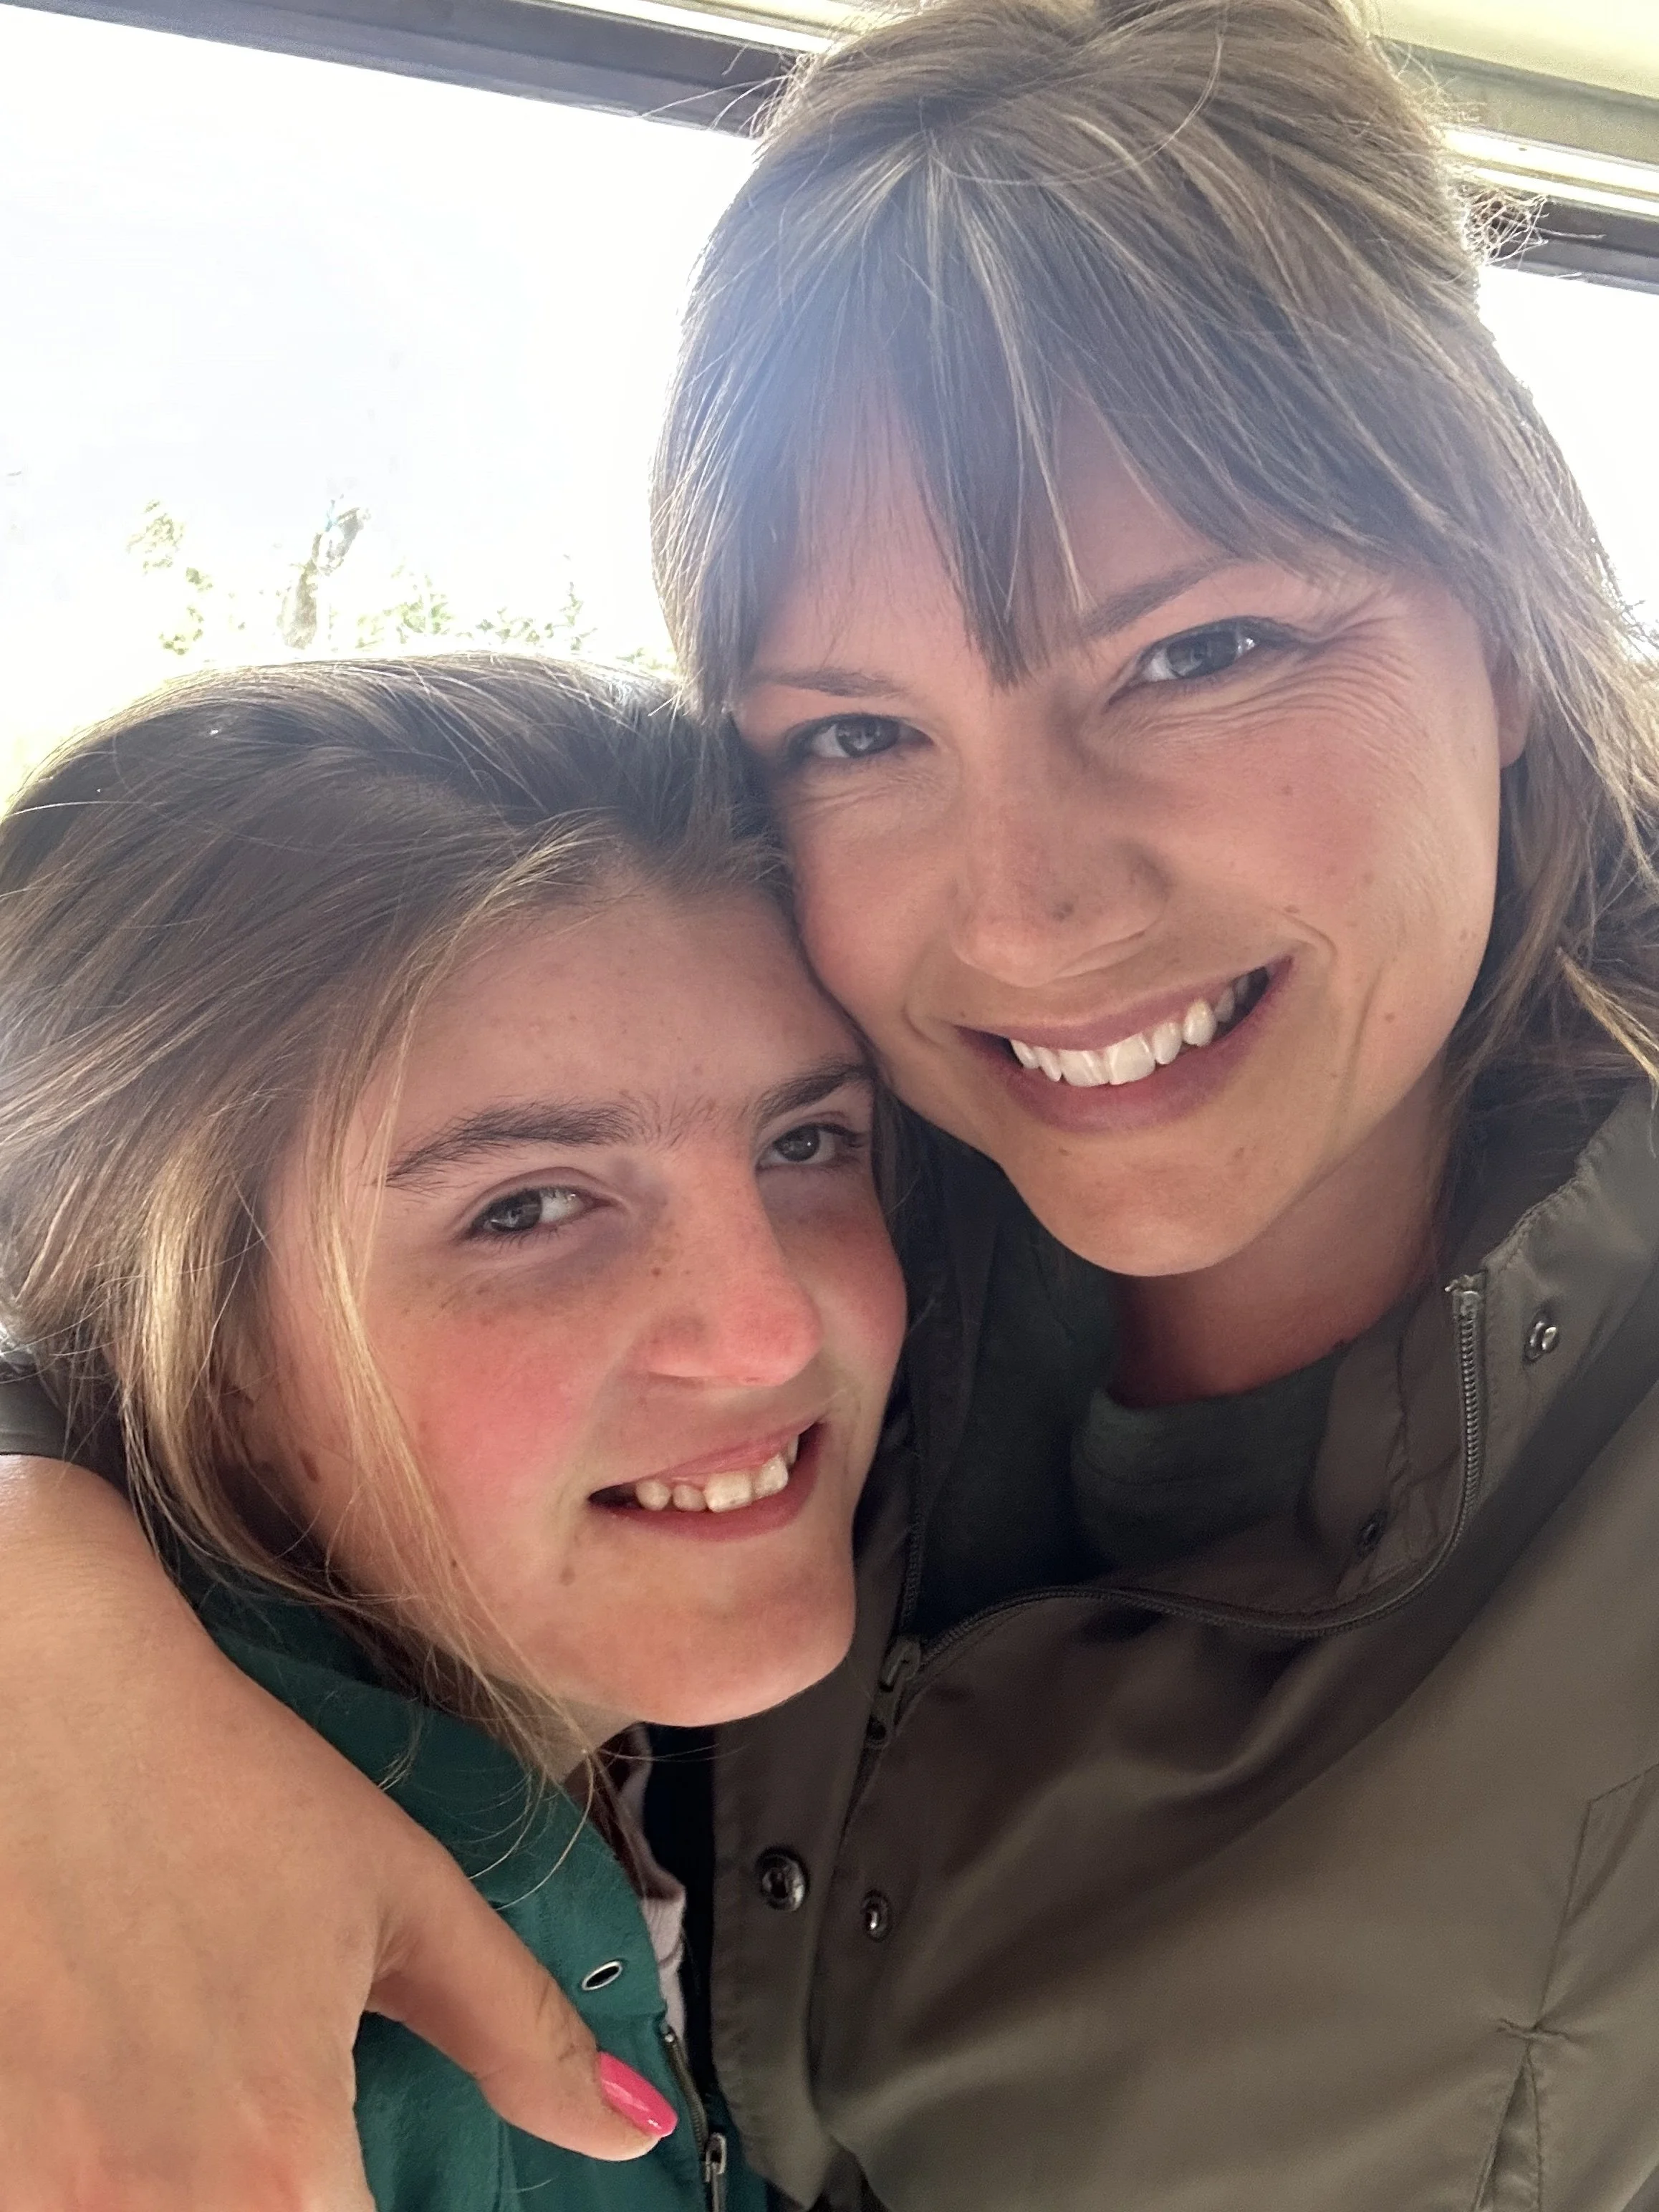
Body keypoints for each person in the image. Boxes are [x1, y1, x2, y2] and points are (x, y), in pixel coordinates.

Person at [1, 0, 1658, 2204]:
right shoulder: (842, 1178)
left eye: (1199, 651)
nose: (1036, 910)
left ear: (1516, 632)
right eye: (858, 734)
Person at [0, 653, 903, 2208]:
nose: (768, 1327)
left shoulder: (675, 1748)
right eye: (531, 1205)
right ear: (193, 1333)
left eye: (805, 1139)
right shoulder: (162, 2037)